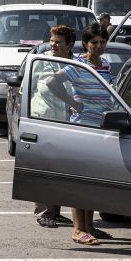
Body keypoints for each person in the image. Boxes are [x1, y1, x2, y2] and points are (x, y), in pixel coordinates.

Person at [46, 23, 113, 245]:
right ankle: (78, 229)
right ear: (86, 44)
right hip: (83, 127)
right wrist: (73, 103)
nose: (99, 46)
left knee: (92, 181)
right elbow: (51, 82)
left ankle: (89, 226)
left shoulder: (106, 64)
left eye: (102, 42)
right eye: (94, 42)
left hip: (101, 128)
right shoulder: (79, 65)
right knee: (80, 180)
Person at [30, 25, 76, 228]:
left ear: (70, 45)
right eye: (52, 41)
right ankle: (45, 212)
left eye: (58, 42)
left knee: (61, 170)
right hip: (43, 119)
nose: (54, 45)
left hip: (67, 123)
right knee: (45, 168)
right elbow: (28, 89)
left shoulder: (76, 64)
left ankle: (55, 211)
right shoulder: (41, 61)